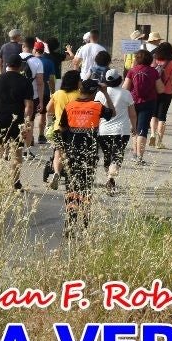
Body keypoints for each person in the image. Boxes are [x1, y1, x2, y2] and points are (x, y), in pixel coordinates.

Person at [57, 79, 115, 229]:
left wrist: (65, 147)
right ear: (94, 92)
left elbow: (62, 129)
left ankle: (70, 222)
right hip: (89, 154)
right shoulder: (97, 106)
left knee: (71, 187)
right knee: (86, 187)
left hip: (72, 154)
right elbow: (112, 113)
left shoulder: (69, 106)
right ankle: (86, 222)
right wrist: (106, 93)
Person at [0, 54, 34, 193]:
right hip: (16, 119)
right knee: (17, 152)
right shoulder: (25, 82)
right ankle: (15, 182)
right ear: (21, 66)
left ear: (7, 65)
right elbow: (29, 106)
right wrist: (26, 123)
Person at [96, 69, 135, 193]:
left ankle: (109, 178)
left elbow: (96, 112)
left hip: (103, 130)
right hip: (121, 130)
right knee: (117, 156)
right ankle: (111, 178)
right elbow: (132, 114)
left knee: (107, 156)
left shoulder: (99, 94)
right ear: (119, 79)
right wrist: (134, 126)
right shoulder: (126, 93)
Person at [43, 70, 81, 189]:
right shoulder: (79, 95)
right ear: (76, 82)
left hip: (59, 128)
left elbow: (48, 109)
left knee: (58, 152)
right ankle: (72, 176)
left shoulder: (58, 93)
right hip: (75, 129)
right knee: (74, 153)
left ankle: (56, 173)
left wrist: (58, 111)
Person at [125, 49, 162, 166]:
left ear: (137, 59)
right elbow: (160, 89)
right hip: (149, 102)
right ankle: (140, 157)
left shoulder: (131, 71)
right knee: (142, 129)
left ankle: (135, 153)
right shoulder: (153, 72)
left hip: (133, 102)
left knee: (135, 128)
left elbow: (125, 88)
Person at [150, 42, 172, 149]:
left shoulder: (154, 60)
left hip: (155, 91)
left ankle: (152, 134)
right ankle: (159, 141)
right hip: (166, 93)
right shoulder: (171, 63)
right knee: (162, 117)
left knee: (154, 115)